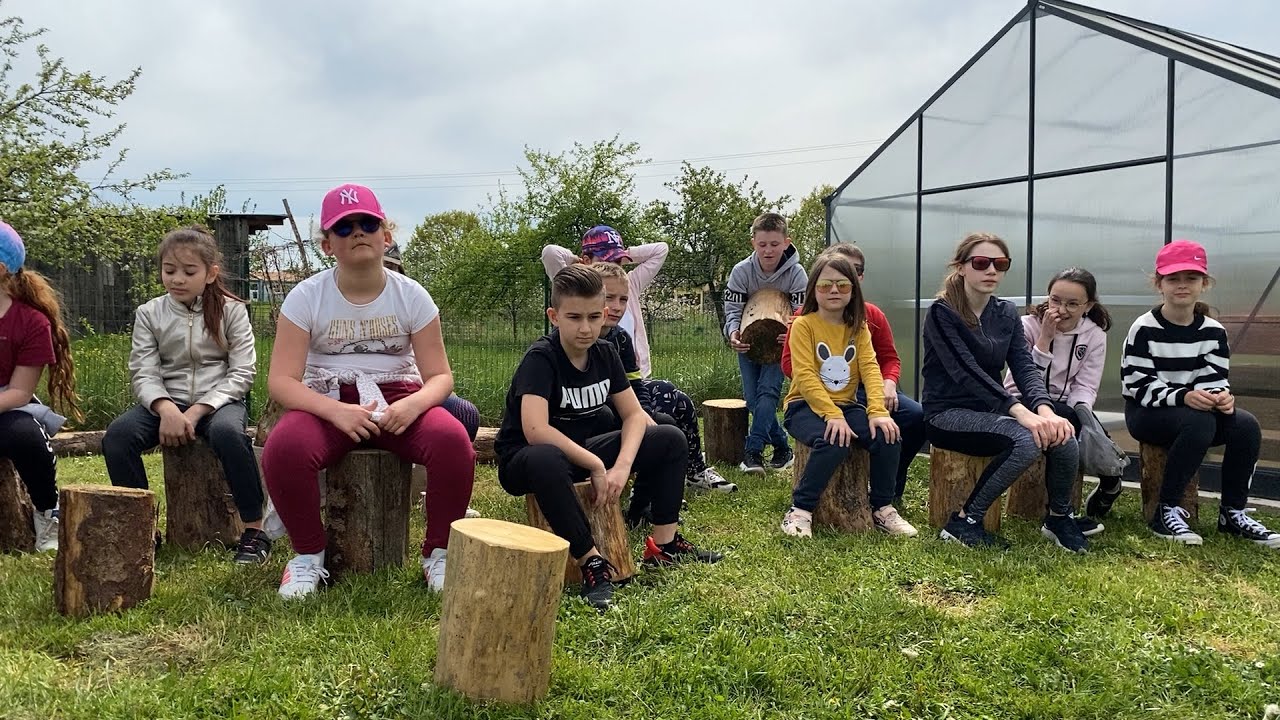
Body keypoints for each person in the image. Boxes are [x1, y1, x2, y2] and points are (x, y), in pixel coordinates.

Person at [262, 183, 476, 599]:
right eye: (343, 227)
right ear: (328, 245)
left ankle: (438, 554)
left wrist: (413, 405)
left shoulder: (411, 296)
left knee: (452, 442)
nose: (358, 232)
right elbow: (282, 381)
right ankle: (307, 556)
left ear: (386, 236)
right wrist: (334, 411)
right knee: (284, 449)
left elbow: (440, 376)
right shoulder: (306, 297)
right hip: (328, 396)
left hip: (399, 395)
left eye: (368, 223)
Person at [493, 265, 722, 610]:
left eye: (593, 317)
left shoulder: (605, 353)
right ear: (554, 317)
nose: (585, 328)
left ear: (603, 315)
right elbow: (536, 431)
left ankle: (665, 545)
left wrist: (622, 467)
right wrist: (597, 465)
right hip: (527, 460)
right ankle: (591, 562)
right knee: (546, 457)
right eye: (574, 318)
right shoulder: (541, 358)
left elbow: (634, 415)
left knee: (669, 438)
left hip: (579, 451)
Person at [103, 226, 268, 563]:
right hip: (166, 401)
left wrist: (197, 410)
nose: (177, 279)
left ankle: (254, 530)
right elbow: (144, 371)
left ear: (211, 273)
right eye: (169, 270)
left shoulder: (233, 311)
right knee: (118, 438)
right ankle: (142, 529)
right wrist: (165, 408)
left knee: (228, 434)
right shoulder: (150, 313)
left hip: (219, 402)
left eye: (189, 272)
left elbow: (242, 372)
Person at [922, 232, 1085, 552]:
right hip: (946, 414)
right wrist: (1020, 411)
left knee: (1062, 433)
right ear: (961, 267)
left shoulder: (1006, 312)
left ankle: (1059, 517)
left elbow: (1023, 366)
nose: (991, 270)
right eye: (981, 263)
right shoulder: (942, 312)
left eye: (1000, 264)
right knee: (1026, 440)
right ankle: (964, 522)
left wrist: (1045, 410)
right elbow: (966, 371)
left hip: (992, 410)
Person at [1121, 239, 1278, 548]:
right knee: (1199, 421)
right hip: (1146, 413)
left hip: (1193, 413)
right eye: (1173, 279)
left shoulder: (1213, 331)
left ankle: (1232, 513)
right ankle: (1166, 510)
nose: (1182, 285)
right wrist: (1184, 396)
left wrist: (1220, 397)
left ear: (1204, 284)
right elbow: (1138, 385)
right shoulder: (1143, 328)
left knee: (1245, 425)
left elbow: (1214, 378)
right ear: (1159, 284)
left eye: (1191, 278)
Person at [781, 252, 915, 538]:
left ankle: (882, 507)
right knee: (833, 441)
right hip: (804, 405)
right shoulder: (803, 324)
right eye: (825, 284)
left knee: (889, 436)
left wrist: (877, 411)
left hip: (847, 404)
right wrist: (832, 415)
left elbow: (870, 368)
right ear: (813, 289)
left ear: (853, 289)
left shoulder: (859, 326)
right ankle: (800, 509)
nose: (834, 290)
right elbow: (804, 375)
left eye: (842, 285)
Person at [590, 262, 736, 496]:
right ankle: (651, 488)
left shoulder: (621, 338)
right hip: (597, 409)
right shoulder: (583, 335)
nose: (617, 307)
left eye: (623, 299)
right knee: (663, 420)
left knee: (676, 398)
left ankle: (695, 471)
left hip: (625, 402)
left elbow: (635, 383)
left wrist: (644, 415)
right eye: (609, 298)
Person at [1003, 267, 1116, 534]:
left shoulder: (1095, 335)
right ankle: (1063, 512)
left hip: (1067, 406)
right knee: (1067, 424)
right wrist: (1044, 339)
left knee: (1082, 422)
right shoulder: (1026, 326)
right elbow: (1023, 378)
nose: (1061, 310)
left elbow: (1086, 385)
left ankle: (1101, 486)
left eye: (1072, 304)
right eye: (1055, 300)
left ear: (1088, 306)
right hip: (1022, 400)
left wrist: (1083, 414)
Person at [0, 222, 80, 552]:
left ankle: (48, 512)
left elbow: (19, 392)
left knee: (27, 438)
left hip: (8, 404)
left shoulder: (32, 322)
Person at [723, 212, 808, 474]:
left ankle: (754, 452)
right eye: (762, 244)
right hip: (748, 343)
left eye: (774, 244)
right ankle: (782, 447)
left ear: (786, 242)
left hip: (780, 344)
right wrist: (733, 333)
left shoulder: (796, 274)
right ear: (753, 243)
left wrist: (792, 334)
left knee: (768, 392)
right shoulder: (741, 272)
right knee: (752, 398)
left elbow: (803, 313)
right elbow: (733, 310)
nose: (768, 250)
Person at [542, 226, 668, 378]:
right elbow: (551, 253)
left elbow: (661, 249)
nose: (612, 267)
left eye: (617, 262)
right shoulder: (576, 286)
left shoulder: (629, 283)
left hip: (631, 374)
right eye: (607, 261)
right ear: (587, 260)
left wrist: (624, 254)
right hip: (594, 378)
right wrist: (578, 262)